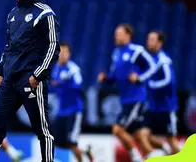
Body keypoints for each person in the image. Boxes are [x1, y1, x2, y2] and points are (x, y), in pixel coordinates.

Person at [0, 0, 60, 162]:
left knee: (42, 130)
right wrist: (0, 71)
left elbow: (53, 47)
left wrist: (37, 76)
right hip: (9, 81)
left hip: (31, 81)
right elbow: (9, 47)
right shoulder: (13, 14)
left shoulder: (45, 13)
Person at [97, 24, 158, 162]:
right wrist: (105, 78)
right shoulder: (116, 53)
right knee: (139, 136)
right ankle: (155, 158)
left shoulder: (136, 51)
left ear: (128, 35)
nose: (115, 36)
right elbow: (114, 76)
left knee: (117, 129)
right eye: (115, 33)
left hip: (136, 98)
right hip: (125, 99)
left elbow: (153, 66)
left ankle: (136, 158)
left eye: (118, 33)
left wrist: (139, 78)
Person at [51, 42, 93, 162]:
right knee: (56, 141)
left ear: (69, 54)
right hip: (61, 112)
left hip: (74, 112)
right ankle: (85, 150)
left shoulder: (73, 69)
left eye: (66, 52)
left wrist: (63, 83)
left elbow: (79, 86)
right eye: (61, 52)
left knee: (72, 143)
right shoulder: (56, 69)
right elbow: (54, 87)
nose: (63, 55)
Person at [145, 31, 180, 156]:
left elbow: (168, 79)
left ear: (160, 43)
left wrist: (151, 85)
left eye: (152, 40)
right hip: (153, 107)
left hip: (167, 107)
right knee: (144, 135)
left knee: (171, 139)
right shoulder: (151, 60)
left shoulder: (163, 60)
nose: (149, 42)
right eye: (148, 39)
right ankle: (165, 149)